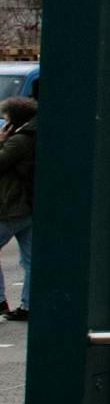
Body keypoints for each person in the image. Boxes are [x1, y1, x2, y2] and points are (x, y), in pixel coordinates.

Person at [0, 97, 35, 322]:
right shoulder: (36, 135)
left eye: (6, 120)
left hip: (12, 206)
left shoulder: (19, 140)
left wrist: (1, 141)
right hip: (31, 207)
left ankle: (0, 299)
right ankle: (29, 304)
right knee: (31, 259)